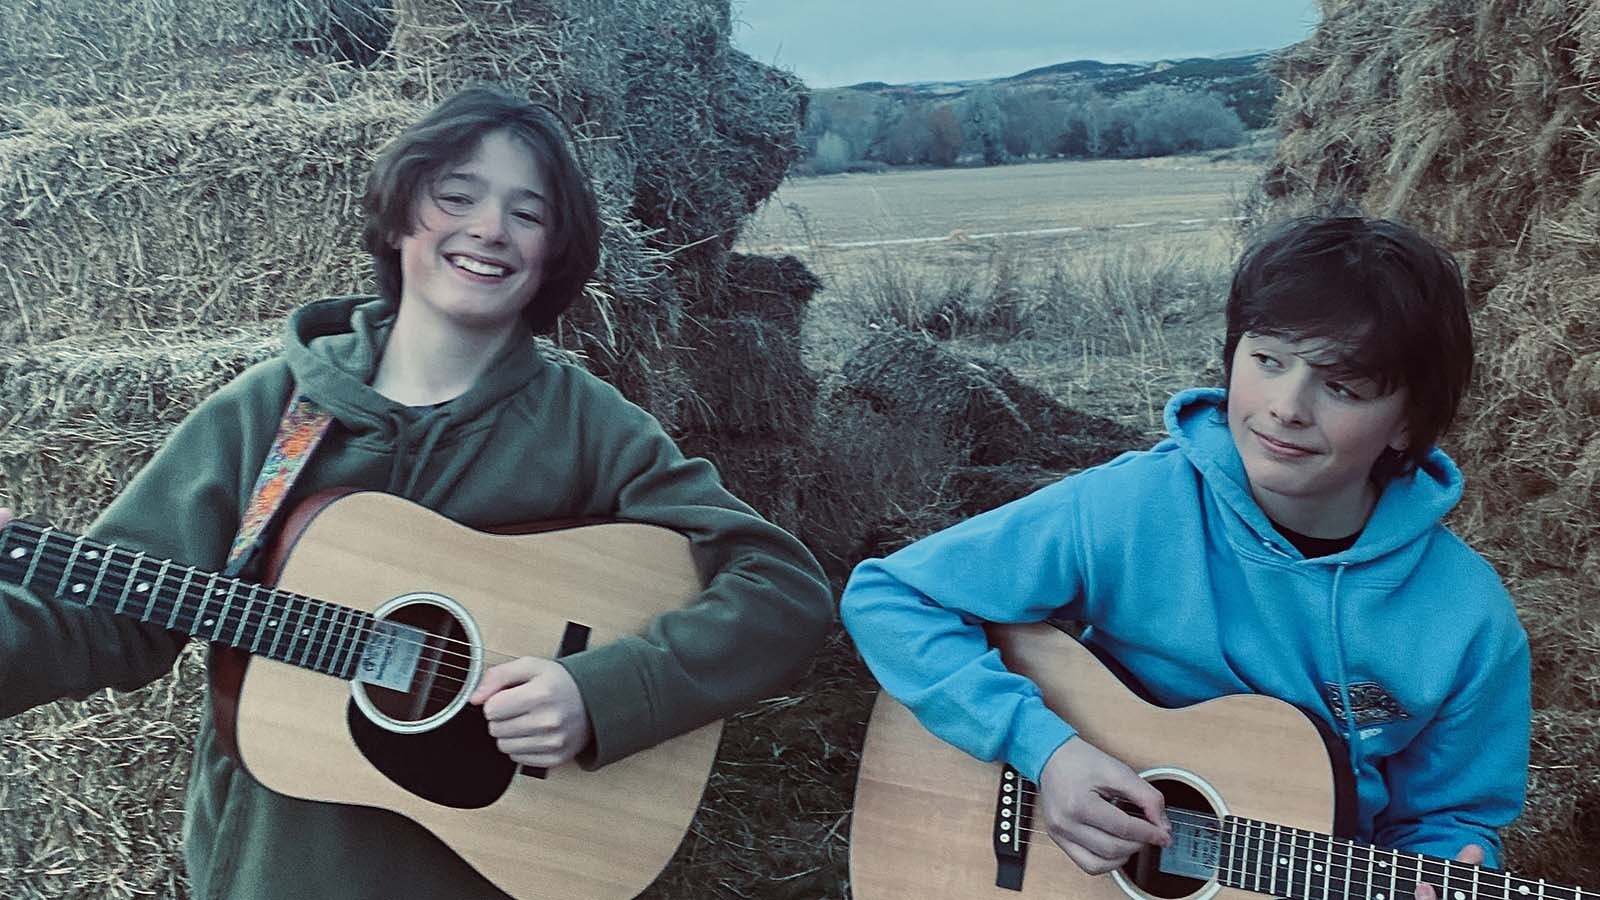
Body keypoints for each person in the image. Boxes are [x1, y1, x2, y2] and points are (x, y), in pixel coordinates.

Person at [0, 85, 832, 899]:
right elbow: (103, 613)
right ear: (400, 216)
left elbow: (781, 588)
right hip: (283, 868)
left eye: (528, 213)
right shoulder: (265, 414)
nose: (489, 230)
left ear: (552, 255)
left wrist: (603, 691)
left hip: (502, 866)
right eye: (457, 195)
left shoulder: (592, 428)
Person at [840, 215, 1530, 894]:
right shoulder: (1137, 506)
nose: (1287, 406)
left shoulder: (1466, 618)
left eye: (1341, 385)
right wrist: (1045, 751)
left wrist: (1444, 871)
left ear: (1409, 421)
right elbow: (892, 597)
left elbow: (1451, 818)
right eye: (1267, 360)